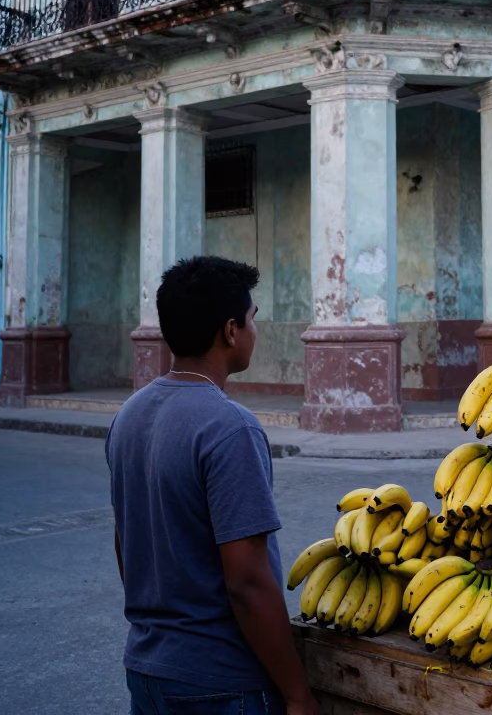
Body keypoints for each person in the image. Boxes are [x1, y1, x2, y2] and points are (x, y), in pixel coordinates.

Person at [105, 255, 322, 715]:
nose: (253, 332)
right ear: (230, 331)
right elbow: (246, 581)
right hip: (220, 684)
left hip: (147, 670)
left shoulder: (129, 415)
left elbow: (128, 546)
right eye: (251, 320)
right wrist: (297, 693)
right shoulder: (230, 427)